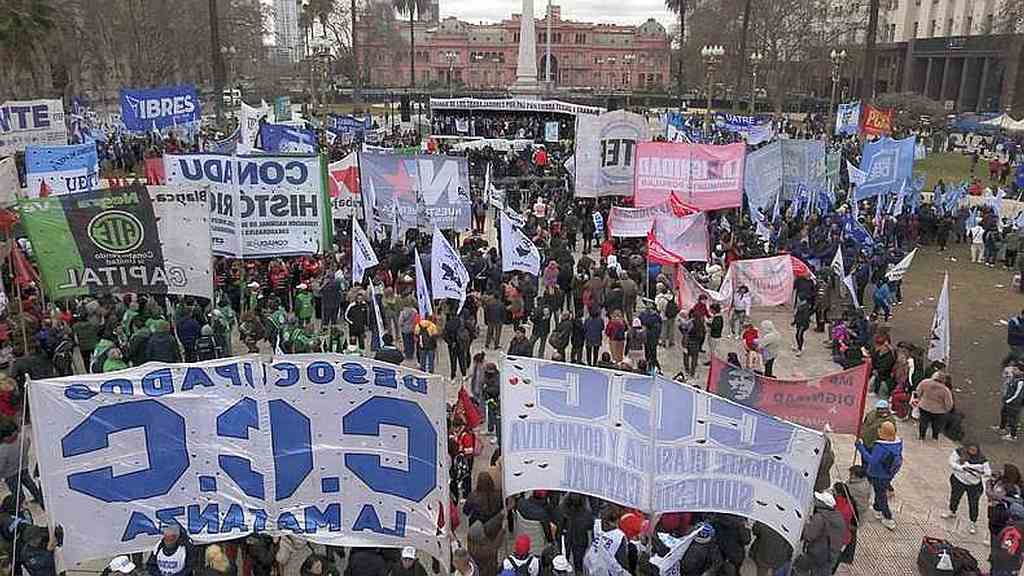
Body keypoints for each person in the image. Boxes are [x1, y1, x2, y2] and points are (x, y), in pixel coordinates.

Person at [855, 421, 902, 530]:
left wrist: (860, 447)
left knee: (881, 495)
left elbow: (871, 460)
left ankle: (888, 517)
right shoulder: (898, 443)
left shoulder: (881, 447)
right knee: (880, 490)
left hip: (879, 474)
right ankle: (877, 509)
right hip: (889, 473)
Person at [940, 442, 991, 534]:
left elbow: (987, 473)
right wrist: (961, 468)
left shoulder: (982, 460)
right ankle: (952, 511)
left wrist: (981, 474)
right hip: (958, 480)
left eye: (974, 450)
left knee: (973, 503)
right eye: (971, 449)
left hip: (974, 485)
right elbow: (951, 462)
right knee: (955, 497)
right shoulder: (959, 452)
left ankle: (973, 522)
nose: (972, 452)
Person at [796, 492, 845, 576]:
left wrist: (804, 525)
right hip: (831, 555)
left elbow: (808, 535)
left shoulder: (820, 517)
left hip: (816, 555)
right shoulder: (839, 517)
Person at [916, 371, 954, 440]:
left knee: (923, 422)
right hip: (938, 411)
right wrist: (946, 410)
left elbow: (918, 392)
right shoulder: (945, 390)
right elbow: (949, 403)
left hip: (924, 406)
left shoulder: (925, 382)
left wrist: (920, 400)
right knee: (936, 425)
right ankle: (935, 437)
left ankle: (921, 436)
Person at [997, 363, 1024, 441]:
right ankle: (1002, 427)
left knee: (1013, 419)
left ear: (1022, 372)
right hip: (1007, 401)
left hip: (1014, 404)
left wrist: (1008, 401)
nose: (1013, 370)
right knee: (1003, 413)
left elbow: (1017, 395)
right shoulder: (1014, 378)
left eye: (1016, 369)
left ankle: (1013, 435)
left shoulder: (1021, 382)